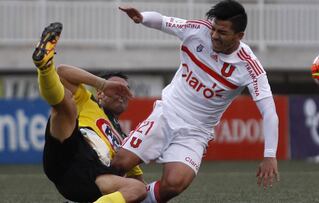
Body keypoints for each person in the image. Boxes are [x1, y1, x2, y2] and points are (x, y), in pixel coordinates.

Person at [113, 0, 280, 202]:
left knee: (174, 184)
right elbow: (164, 22)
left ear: (239, 36)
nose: (214, 36)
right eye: (214, 29)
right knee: (120, 163)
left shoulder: (250, 67)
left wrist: (270, 155)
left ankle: (131, 199)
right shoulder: (199, 30)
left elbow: (269, 112)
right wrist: (142, 18)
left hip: (196, 132)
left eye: (223, 33)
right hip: (166, 114)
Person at [32, 22, 146, 203]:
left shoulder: (127, 141)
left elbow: (137, 182)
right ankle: (45, 67)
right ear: (101, 94)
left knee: (138, 188)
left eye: (126, 91)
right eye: (117, 90)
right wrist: (102, 83)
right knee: (66, 104)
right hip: (71, 149)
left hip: (95, 177)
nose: (122, 95)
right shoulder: (88, 102)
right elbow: (62, 73)